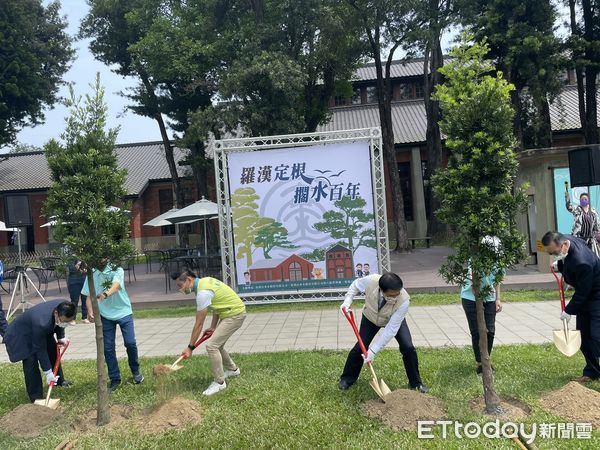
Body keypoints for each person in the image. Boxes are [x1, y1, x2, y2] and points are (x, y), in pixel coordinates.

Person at [339, 272, 429, 393]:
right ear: (381, 290)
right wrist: (347, 301)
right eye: (392, 295)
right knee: (361, 347)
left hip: (393, 319)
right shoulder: (371, 280)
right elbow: (355, 285)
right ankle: (347, 379)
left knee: (408, 347)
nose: (397, 296)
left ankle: (416, 383)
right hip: (370, 317)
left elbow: (391, 329)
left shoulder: (404, 301)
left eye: (398, 293)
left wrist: (373, 351)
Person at [173, 270, 246, 396]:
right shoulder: (205, 281)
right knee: (218, 345)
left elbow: (199, 324)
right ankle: (233, 370)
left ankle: (219, 382)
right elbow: (217, 305)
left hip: (235, 314)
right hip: (229, 312)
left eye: (181, 285)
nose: (181, 289)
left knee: (212, 346)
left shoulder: (202, 293)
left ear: (189, 280)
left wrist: (190, 347)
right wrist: (213, 327)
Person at [542, 231, 600, 382]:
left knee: (597, 337)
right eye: (551, 254)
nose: (554, 256)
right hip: (585, 297)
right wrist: (561, 263)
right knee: (584, 337)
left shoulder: (582, 262)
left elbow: (583, 292)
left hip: (596, 297)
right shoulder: (565, 239)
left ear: (564, 245)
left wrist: (568, 311)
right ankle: (592, 372)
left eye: (555, 253)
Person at [83, 259, 143, 392]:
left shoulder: (117, 269)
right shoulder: (92, 273)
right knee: (108, 348)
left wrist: (105, 294)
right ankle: (115, 378)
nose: (101, 259)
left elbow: (116, 286)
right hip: (105, 315)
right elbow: (88, 295)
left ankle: (135, 370)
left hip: (124, 312)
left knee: (130, 343)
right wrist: (90, 311)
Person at [3, 300, 75, 402]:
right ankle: (36, 397)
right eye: (64, 321)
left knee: (53, 350)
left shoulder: (64, 306)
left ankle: (59, 381)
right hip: (21, 335)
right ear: (56, 313)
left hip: (38, 330)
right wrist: (48, 372)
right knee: (30, 361)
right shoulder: (42, 322)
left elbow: (61, 323)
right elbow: (40, 349)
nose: (65, 323)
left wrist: (60, 337)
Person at [460, 236, 503, 375]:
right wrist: (476, 289)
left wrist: (498, 299)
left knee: (490, 330)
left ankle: (486, 359)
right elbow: (474, 280)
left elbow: (497, 280)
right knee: (477, 331)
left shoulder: (499, 262)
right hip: (470, 297)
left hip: (489, 297)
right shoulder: (476, 259)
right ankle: (480, 364)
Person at [67, 257, 90, 323]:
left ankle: (84, 317)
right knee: (74, 300)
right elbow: (71, 269)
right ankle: (73, 319)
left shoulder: (85, 256)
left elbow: (88, 269)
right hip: (74, 281)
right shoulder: (71, 258)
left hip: (84, 280)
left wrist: (85, 269)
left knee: (84, 299)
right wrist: (78, 265)